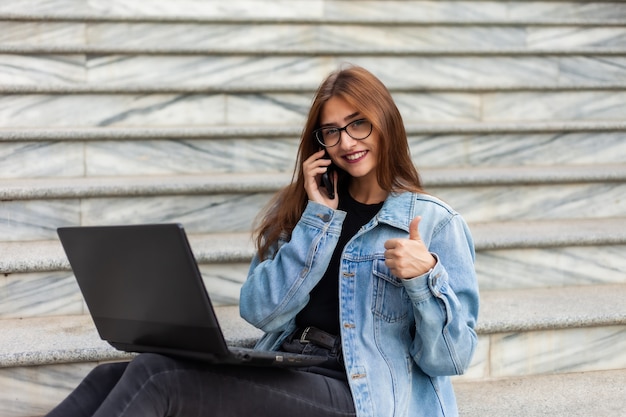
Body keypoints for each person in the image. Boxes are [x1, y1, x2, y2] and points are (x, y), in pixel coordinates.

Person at [45, 65, 479, 417]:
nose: (346, 142)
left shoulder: (434, 223)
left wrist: (424, 280)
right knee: (114, 375)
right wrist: (318, 221)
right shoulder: (309, 212)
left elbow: (450, 359)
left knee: (160, 377)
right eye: (331, 131)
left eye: (358, 124)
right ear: (319, 144)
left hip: (364, 396)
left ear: (385, 123)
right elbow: (261, 313)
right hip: (293, 365)